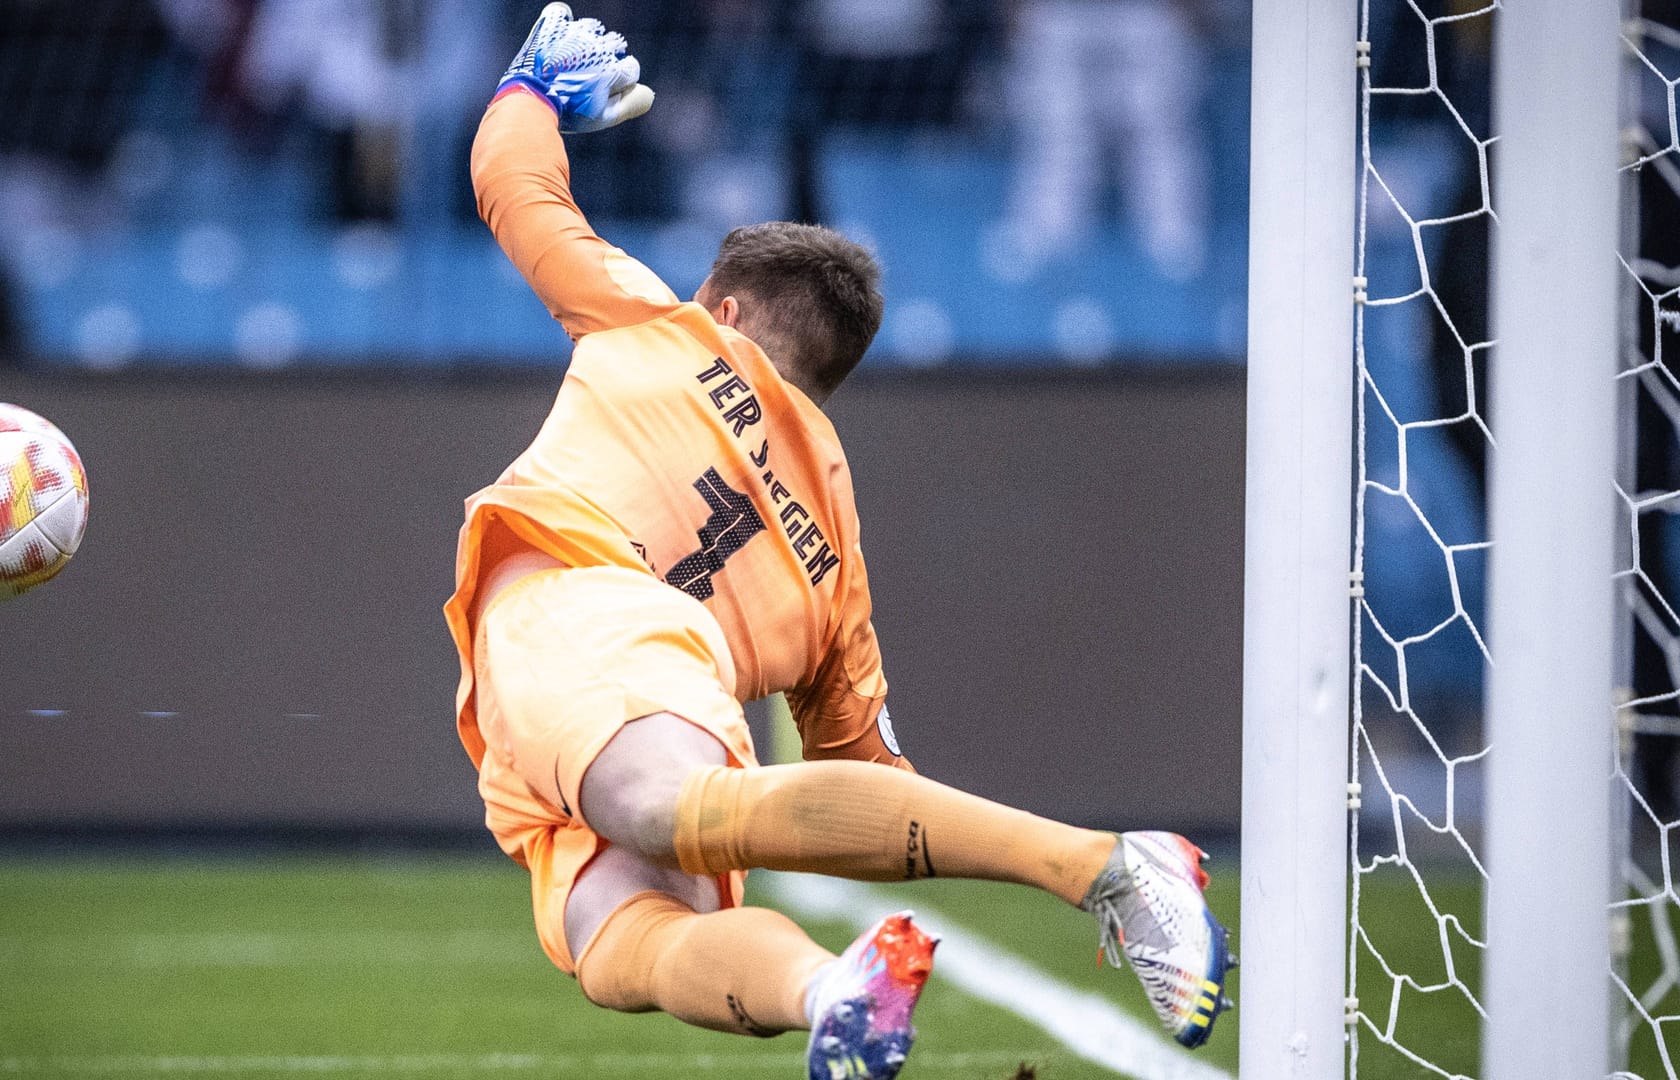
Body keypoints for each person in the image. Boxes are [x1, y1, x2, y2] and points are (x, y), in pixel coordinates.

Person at [443, 6, 1235, 1076]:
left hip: (571, 622)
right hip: (652, 699)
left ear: (722, 304)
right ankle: (835, 991)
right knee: (617, 936)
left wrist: (529, 89)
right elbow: (865, 781)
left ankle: (1107, 867)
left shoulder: (658, 327)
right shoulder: (836, 544)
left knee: (658, 816)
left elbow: (513, 185)